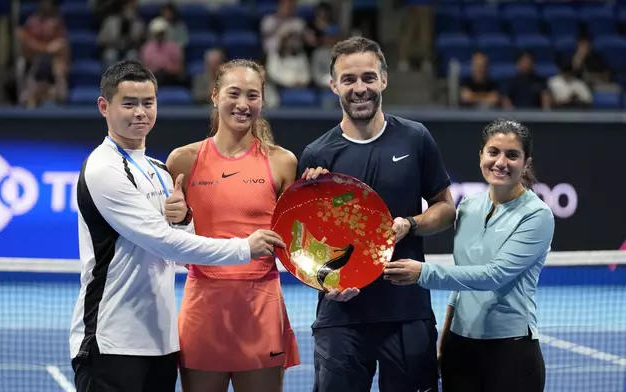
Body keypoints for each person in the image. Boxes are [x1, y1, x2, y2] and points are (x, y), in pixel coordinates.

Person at [69, 60, 285, 392]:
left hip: (160, 341)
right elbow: (162, 242)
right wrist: (244, 247)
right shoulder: (103, 169)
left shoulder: (157, 169)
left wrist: (183, 219)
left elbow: (181, 249)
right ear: (104, 106)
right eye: (129, 103)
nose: (140, 112)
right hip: (112, 340)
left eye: (147, 103)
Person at [298, 36, 457, 392]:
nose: (360, 88)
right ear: (333, 85)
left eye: (368, 77)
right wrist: (326, 282)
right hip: (341, 317)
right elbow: (305, 246)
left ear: (384, 79)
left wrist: (411, 224)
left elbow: (446, 209)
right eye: (349, 79)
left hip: (407, 311)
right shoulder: (317, 155)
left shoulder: (415, 138)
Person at [383, 119, 554, 392]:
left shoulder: (537, 215)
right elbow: (461, 282)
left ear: (526, 163)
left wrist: (423, 273)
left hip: (511, 350)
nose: (501, 162)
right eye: (493, 152)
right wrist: (446, 339)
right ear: (481, 157)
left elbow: (494, 275)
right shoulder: (468, 207)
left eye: (512, 155)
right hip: (460, 347)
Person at [165, 58, 301, 392]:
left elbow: (295, 240)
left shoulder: (283, 162)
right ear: (214, 96)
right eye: (234, 93)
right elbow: (171, 242)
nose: (243, 104)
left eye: (252, 96)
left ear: (263, 100)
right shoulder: (182, 160)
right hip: (203, 309)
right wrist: (177, 218)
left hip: (261, 308)